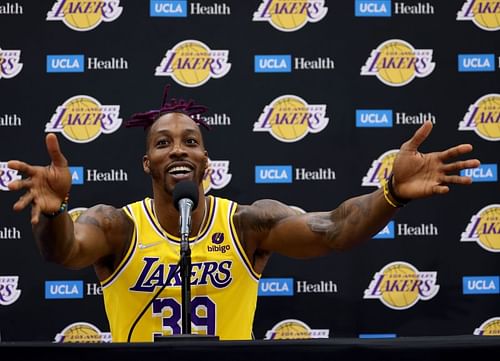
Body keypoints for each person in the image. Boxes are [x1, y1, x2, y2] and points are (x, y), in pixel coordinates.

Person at [7, 86, 480, 342]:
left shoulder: (246, 223)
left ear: (205, 160)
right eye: (163, 142)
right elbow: (63, 251)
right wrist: (54, 214)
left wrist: (392, 193)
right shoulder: (118, 225)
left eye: (191, 141)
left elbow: (334, 228)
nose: (179, 149)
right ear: (146, 163)